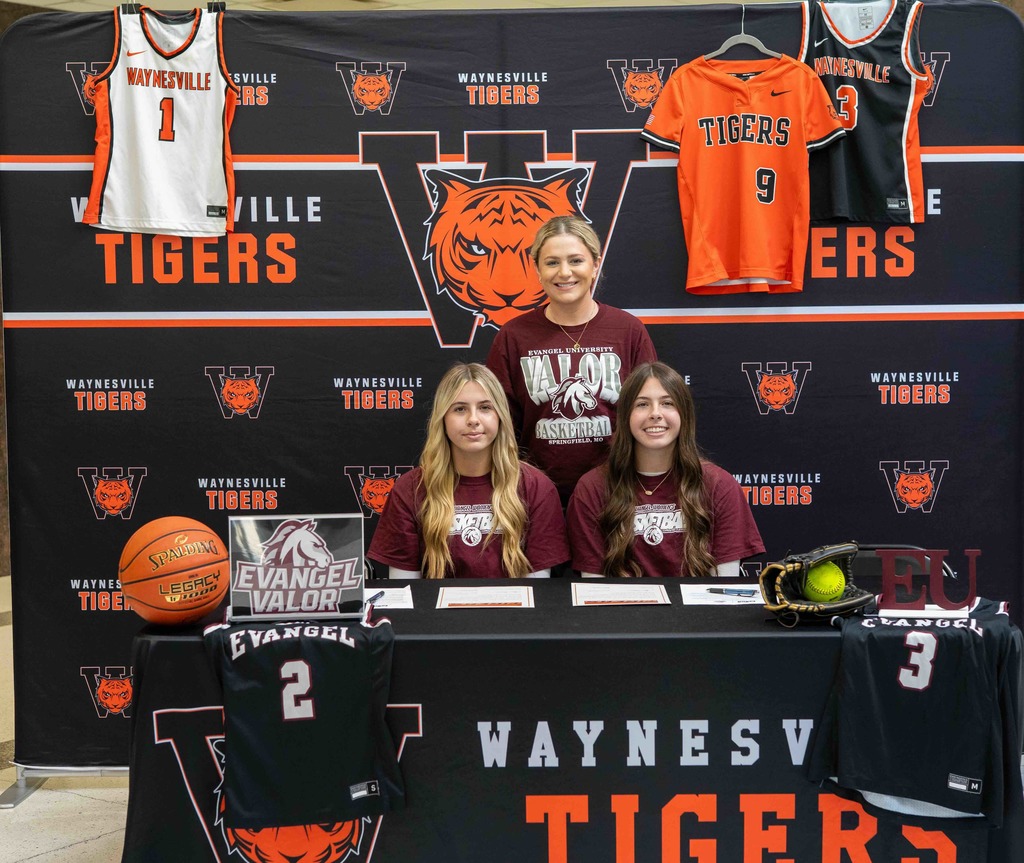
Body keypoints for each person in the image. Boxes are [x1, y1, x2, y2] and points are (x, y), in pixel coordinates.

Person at [486, 215, 657, 507]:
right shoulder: (514, 335)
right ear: (537, 269)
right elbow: (499, 422)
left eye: (576, 260)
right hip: (536, 497)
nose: (564, 273)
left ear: (595, 265)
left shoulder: (628, 330)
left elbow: (651, 409)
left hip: (616, 492)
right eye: (552, 262)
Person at [368, 362, 569, 579]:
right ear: (442, 418)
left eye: (485, 408)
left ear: (500, 416)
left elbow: (537, 593)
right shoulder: (410, 490)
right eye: (460, 409)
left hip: (514, 612)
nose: (473, 420)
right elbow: (404, 593)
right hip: (433, 613)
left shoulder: (536, 487)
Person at [566, 362, 764, 578]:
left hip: (699, 611)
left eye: (667, 403)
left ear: (684, 414)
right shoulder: (593, 488)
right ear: (625, 416)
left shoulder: (719, 485)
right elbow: (594, 591)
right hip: (621, 611)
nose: (655, 414)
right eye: (642, 404)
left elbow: (725, 589)